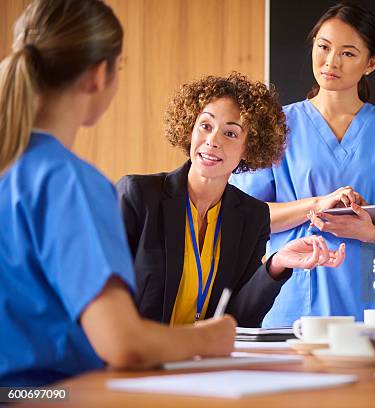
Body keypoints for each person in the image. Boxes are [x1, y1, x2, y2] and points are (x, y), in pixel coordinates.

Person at [0, 0, 235, 387]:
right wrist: (208, 338)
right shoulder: (68, 182)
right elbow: (122, 343)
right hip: (45, 394)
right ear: (98, 75)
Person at [230, 3, 375, 326]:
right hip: (294, 294)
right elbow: (249, 217)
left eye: (348, 53)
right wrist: (317, 204)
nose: (331, 61)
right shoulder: (275, 125)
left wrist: (368, 233)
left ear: (371, 63)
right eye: (323, 47)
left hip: (370, 300)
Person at [116, 73, 346, 327]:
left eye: (231, 134)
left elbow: (239, 319)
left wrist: (277, 264)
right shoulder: (138, 195)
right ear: (189, 129)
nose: (213, 141)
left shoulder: (253, 216)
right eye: (205, 126)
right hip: (138, 359)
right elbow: (101, 295)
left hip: (206, 361)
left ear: (250, 147)